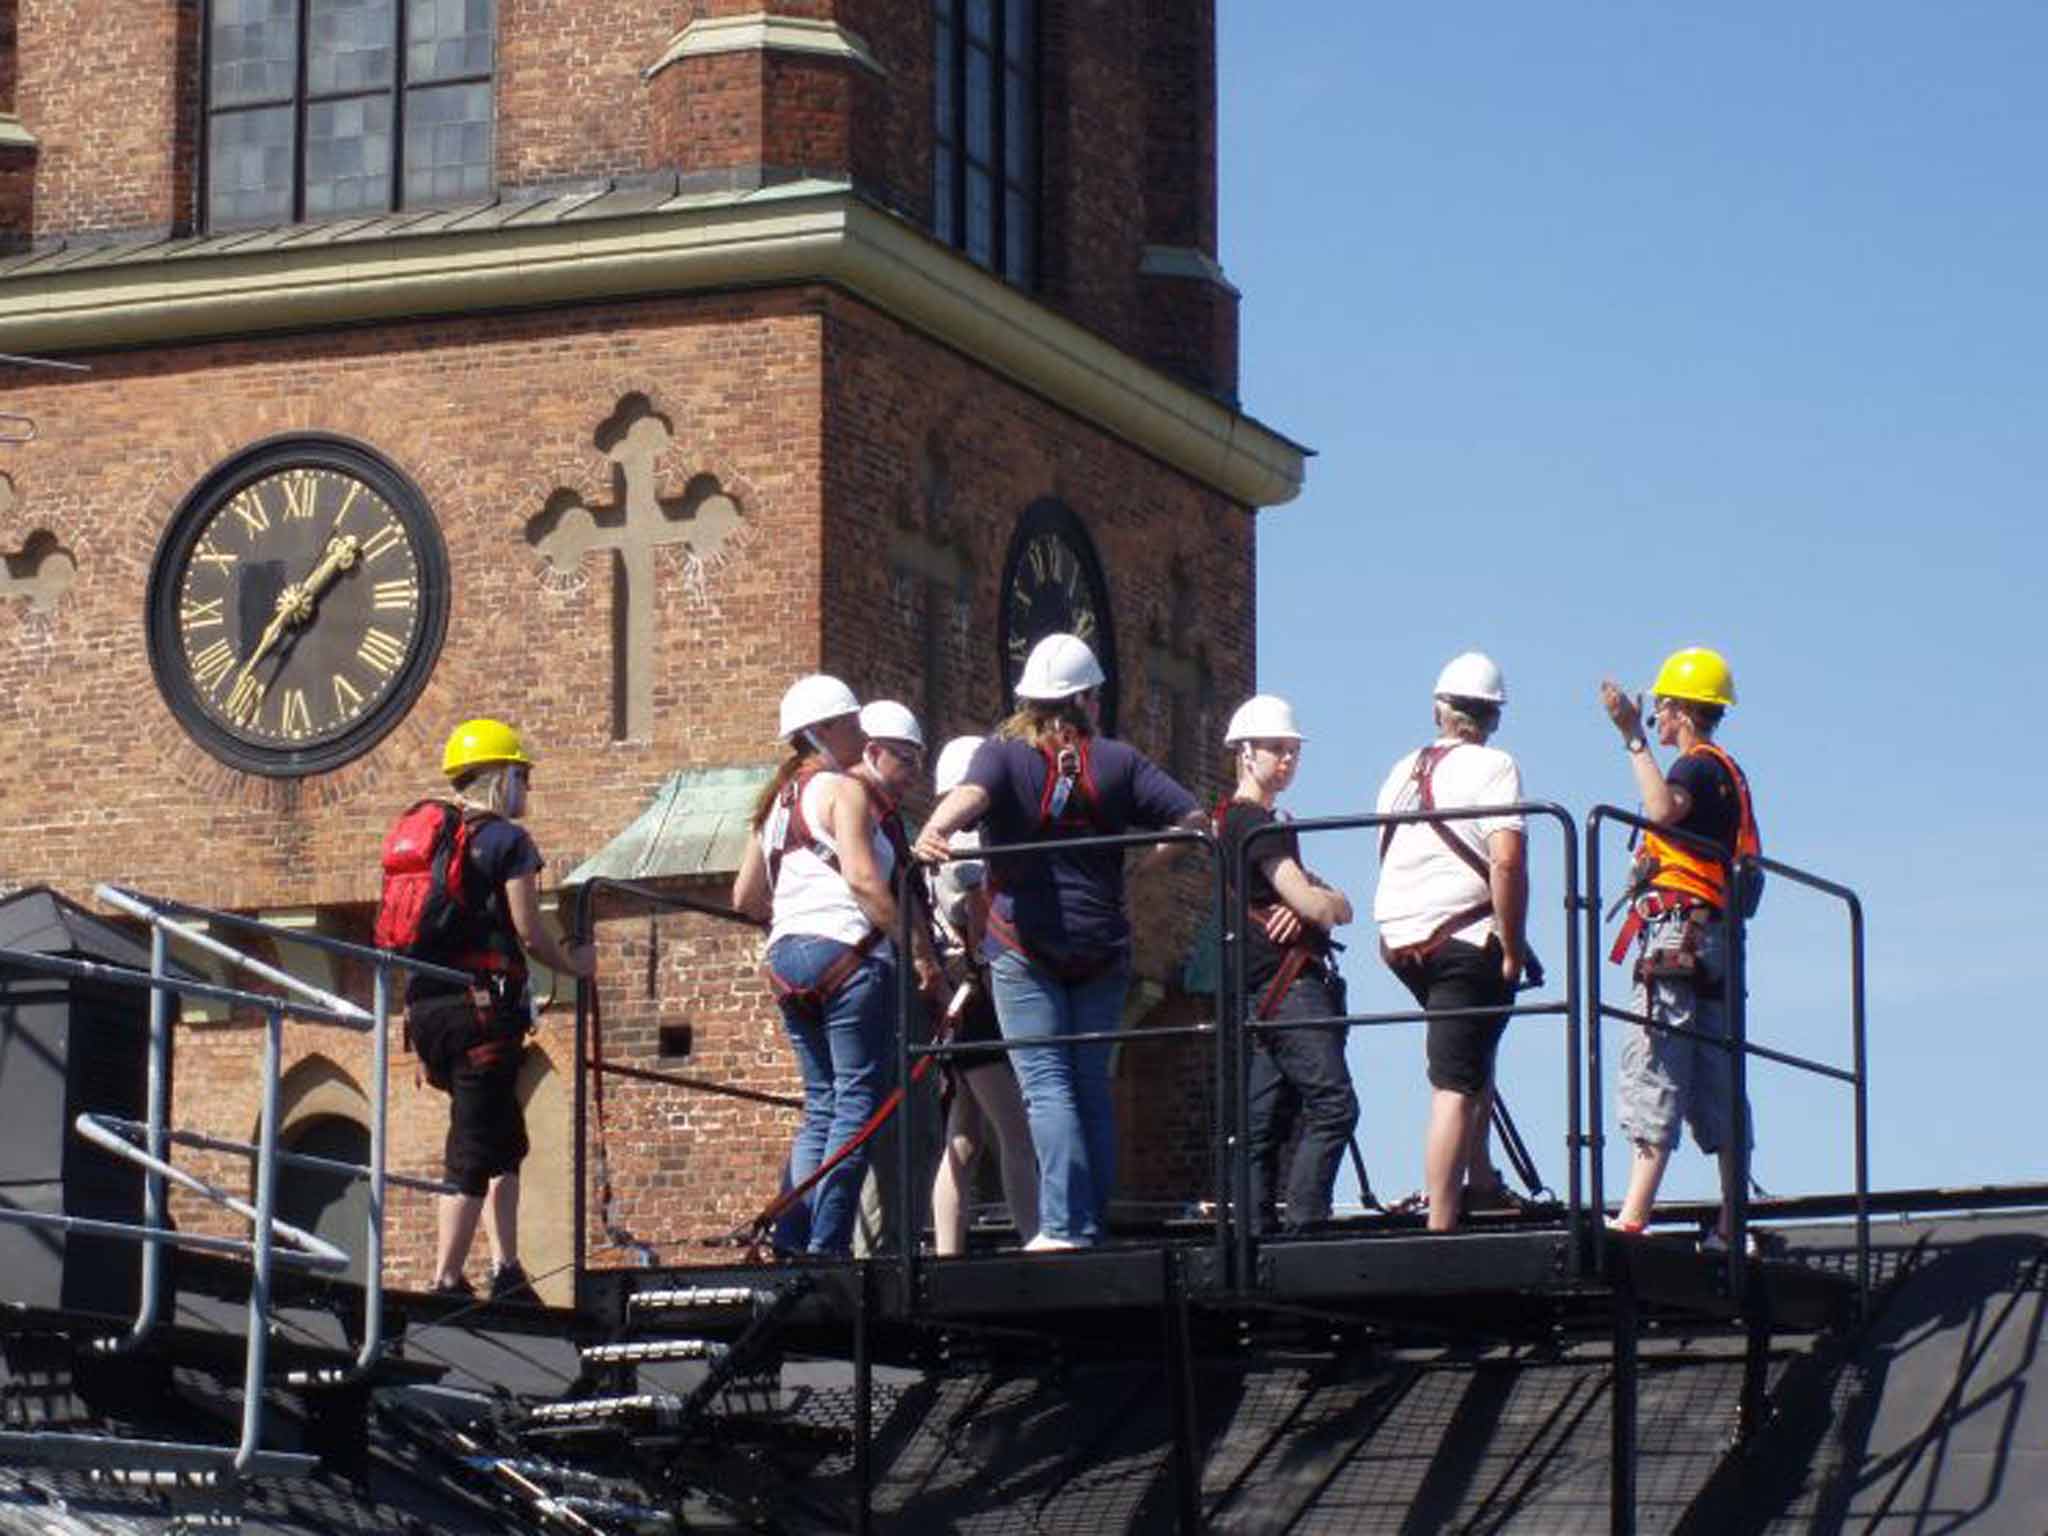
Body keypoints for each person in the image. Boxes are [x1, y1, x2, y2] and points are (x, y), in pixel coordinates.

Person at [913, 633, 1203, 1251]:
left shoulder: (1002, 755)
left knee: (1046, 1084)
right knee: (1090, 1083)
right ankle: (1087, 1223)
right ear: (1087, 698)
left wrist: (935, 829)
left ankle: (1065, 1228)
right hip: (1101, 945)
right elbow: (1193, 819)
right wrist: (1145, 863)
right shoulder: (1119, 762)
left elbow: (970, 797)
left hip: (1025, 945)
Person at [731, 679, 924, 1257]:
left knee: (821, 1105)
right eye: (851, 725)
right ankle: (827, 1243)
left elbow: (745, 897)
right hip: (848, 956)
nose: (860, 734)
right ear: (827, 729)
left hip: (789, 960)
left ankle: (793, 1236)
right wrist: (913, 947)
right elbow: (865, 881)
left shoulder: (773, 805)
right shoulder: (843, 789)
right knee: (857, 1103)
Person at [413, 718, 596, 1300]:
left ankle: (505, 1266)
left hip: (426, 1009)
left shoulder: (434, 840)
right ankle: (445, 1278)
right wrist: (575, 965)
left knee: (502, 1137)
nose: (528, 790)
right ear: (499, 778)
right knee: (472, 1146)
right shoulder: (508, 842)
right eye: (522, 776)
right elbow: (529, 931)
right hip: (480, 1012)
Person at [1599, 647, 1762, 1251]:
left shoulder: (1693, 769)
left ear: (1680, 711)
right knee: (1716, 1076)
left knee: (1656, 1059)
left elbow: (1662, 811)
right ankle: (1732, 1223)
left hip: (1677, 936)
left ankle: (1633, 1218)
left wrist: (1630, 741)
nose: (1655, 720)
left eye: (1660, 710)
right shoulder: (1728, 771)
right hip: (1714, 939)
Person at [1373, 653, 1529, 1234]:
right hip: (1462, 940)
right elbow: (1507, 863)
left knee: (1468, 1051)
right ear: (1493, 718)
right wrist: (1512, 947)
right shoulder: (1496, 767)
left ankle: (1481, 1179)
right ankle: (1442, 1225)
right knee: (1454, 1088)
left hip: (1399, 938)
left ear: (1439, 709)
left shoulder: (1399, 770)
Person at [1216, 695, 1357, 1232]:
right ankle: (1305, 1227)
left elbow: (1326, 904)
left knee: (1259, 1125)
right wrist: (1322, 908)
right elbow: (1320, 903)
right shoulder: (1259, 826)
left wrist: (1322, 906)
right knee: (1334, 1106)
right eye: (1278, 749)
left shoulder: (1227, 822)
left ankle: (1252, 1237)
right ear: (1246, 753)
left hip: (1259, 989)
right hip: (1289, 985)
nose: (1288, 760)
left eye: (1294, 751)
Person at [925, 735, 1041, 1254]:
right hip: (981, 998)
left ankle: (950, 1251)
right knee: (1015, 1128)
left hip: (958, 1000)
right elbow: (978, 923)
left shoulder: (939, 846)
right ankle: (1036, 1235)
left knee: (964, 1134)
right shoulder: (967, 846)